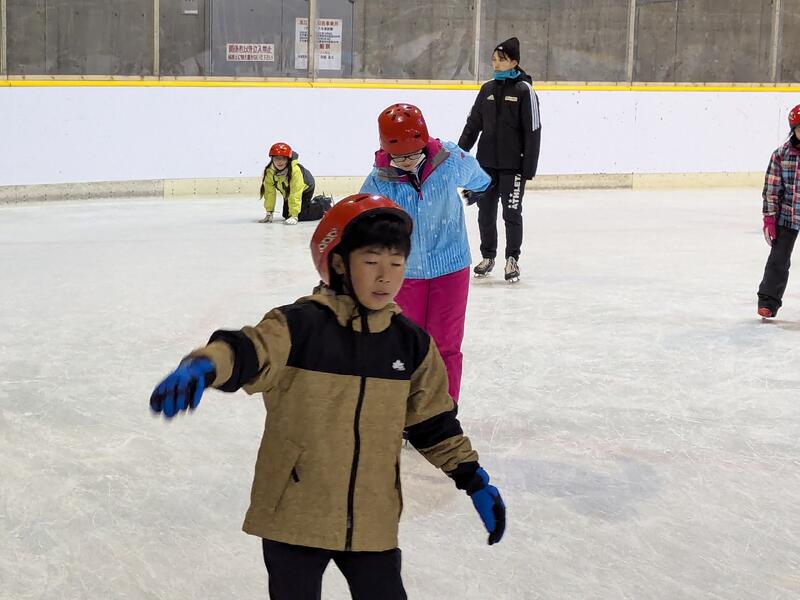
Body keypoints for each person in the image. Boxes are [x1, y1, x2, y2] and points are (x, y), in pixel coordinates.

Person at [149, 194, 506, 600]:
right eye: (371, 261)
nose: (386, 277)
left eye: (396, 263)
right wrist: (205, 365)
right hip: (295, 512)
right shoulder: (298, 327)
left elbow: (433, 423)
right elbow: (248, 350)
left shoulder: (411, 345)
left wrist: (473, 479)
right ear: (338, 263)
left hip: (372, 516)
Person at [360, 103, 491, 404]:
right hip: (406, 274)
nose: (406, 162)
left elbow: (479, 177)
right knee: (407, 345)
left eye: (412, 154)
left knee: (446, 346)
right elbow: (362, 217)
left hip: (451, 267)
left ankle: (444, 411)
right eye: (399, 156)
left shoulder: (449, 159)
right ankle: (409, 410)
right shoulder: (379, 178)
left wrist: (479, 188)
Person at [458, 36, 542, 282]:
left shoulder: (524, 91)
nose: (496, 63)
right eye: (494, 59)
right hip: (485, 166)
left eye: (501, 59)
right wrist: (460, 155)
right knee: (485, 213)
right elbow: (473, 125)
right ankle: (488, 256)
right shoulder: (487, 90)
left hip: (513, 167)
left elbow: (533, 131)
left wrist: (528, 168)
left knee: (511, 213)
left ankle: (512, 259)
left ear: (514, 62)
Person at [757, 103, 800, 318]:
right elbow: (772, 190)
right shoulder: (781, 155)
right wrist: (770, 219)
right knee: (778, 259)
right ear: (794, 130)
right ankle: (768, 301)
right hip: (788, 216)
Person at [260, 142, 329, 224]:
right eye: (276, 158)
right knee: (286, 214)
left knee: (300, 215)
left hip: (305, 187)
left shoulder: (295, 171)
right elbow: (269, 193)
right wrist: (269, 212)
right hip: (288, 191)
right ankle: (311, 205)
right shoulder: (269, 172)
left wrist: (294, 215)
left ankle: (324, 204)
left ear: (288, 159)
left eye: (283, 158)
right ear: (272, 159)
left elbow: (295, 193)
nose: (279, 162)